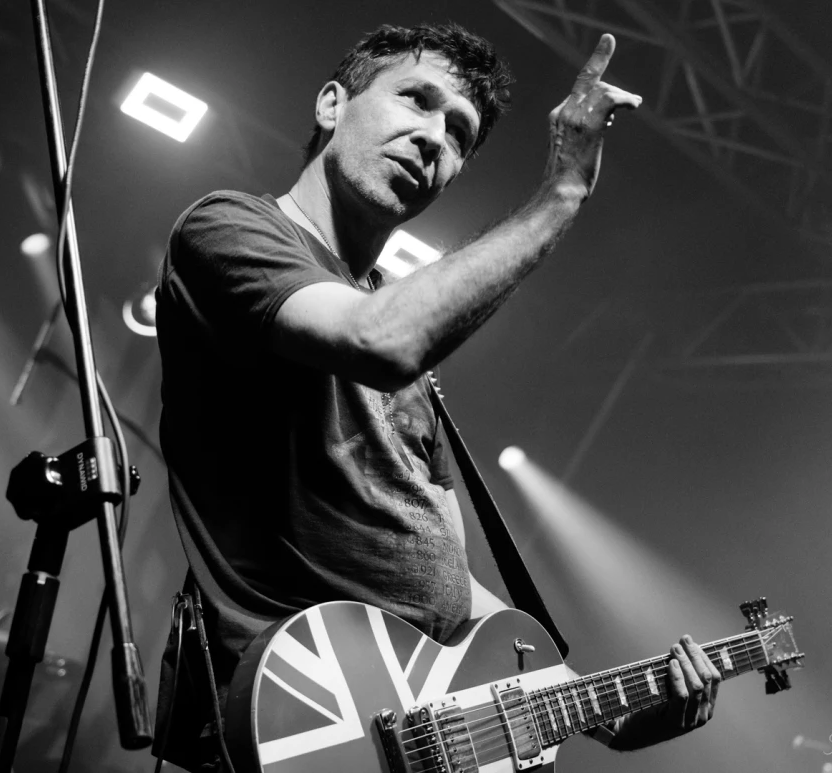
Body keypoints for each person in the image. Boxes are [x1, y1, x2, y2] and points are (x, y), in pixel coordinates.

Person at [154, 22, 721, 770]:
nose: (433, 137)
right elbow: (378, 340)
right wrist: (562, 191)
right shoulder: (230, 227)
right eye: (415, 100)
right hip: (302, 710)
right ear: (331, 105)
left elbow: (453, 584)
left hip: (411, 712)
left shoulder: (407, 334)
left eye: (459, 133)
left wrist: (609, 716)